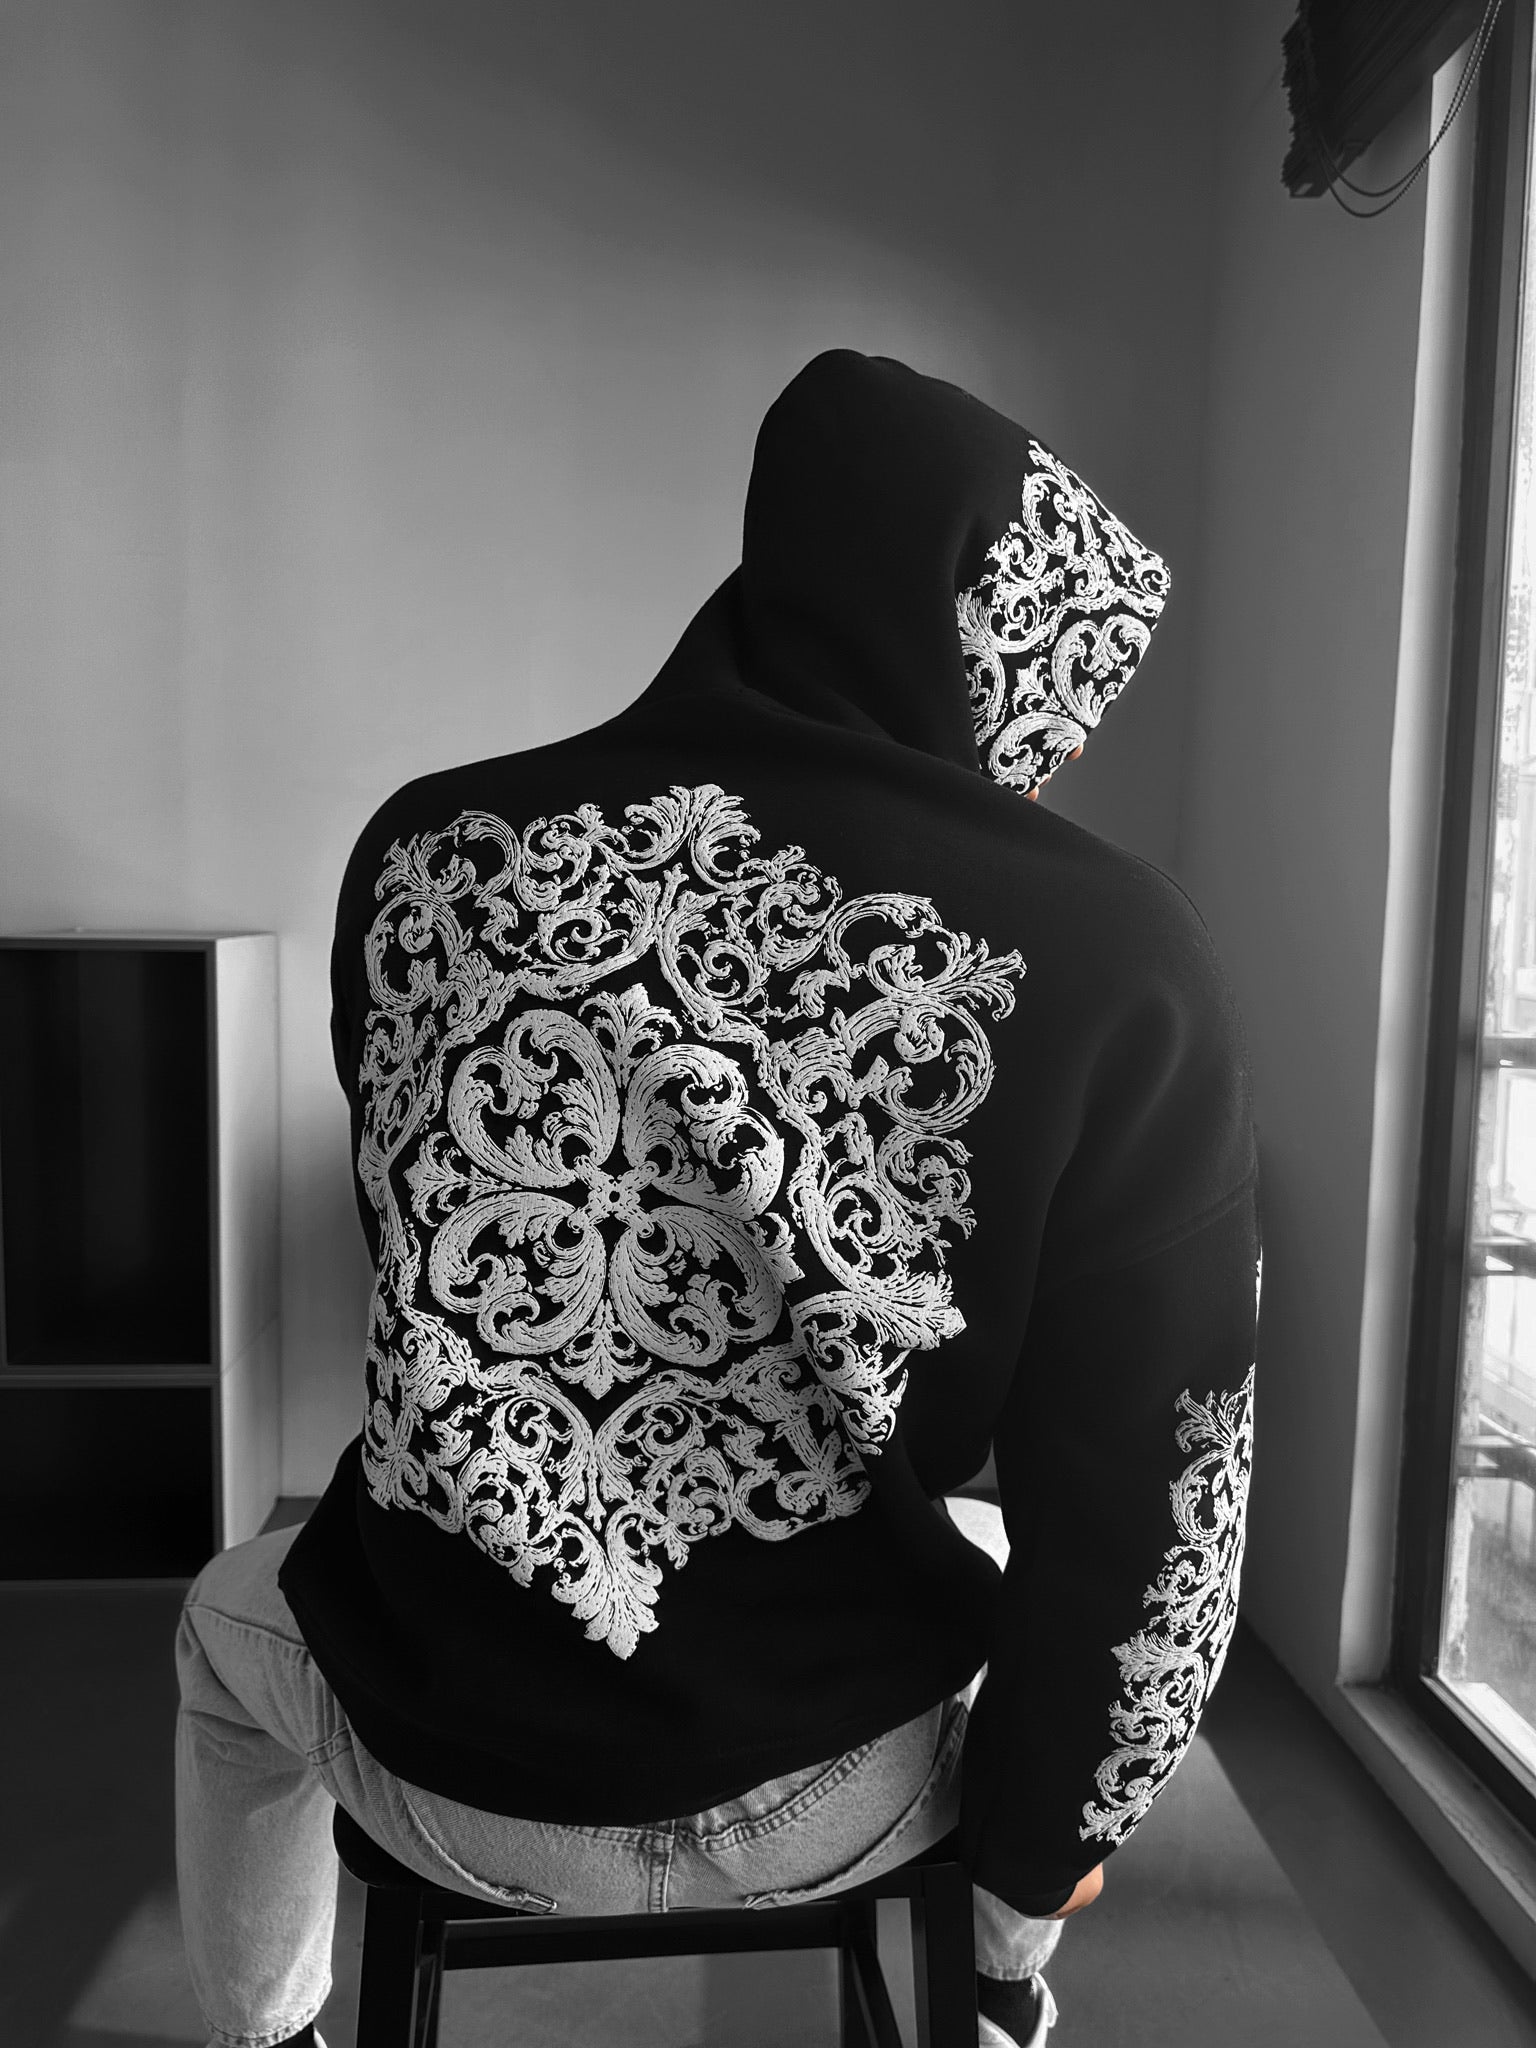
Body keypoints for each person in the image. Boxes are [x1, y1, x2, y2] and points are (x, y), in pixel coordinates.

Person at [175, 349, 1260, 2048]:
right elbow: (1164, 1499)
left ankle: (266, 2035)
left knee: (222, 1625)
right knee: (1016, 1566)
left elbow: (430, 1286)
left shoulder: (432, 853)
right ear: (985, 640)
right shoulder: (1117, 942)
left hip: (447, 1766)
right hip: (837, 1789)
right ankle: (991, 1990)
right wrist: (1041, 1863)